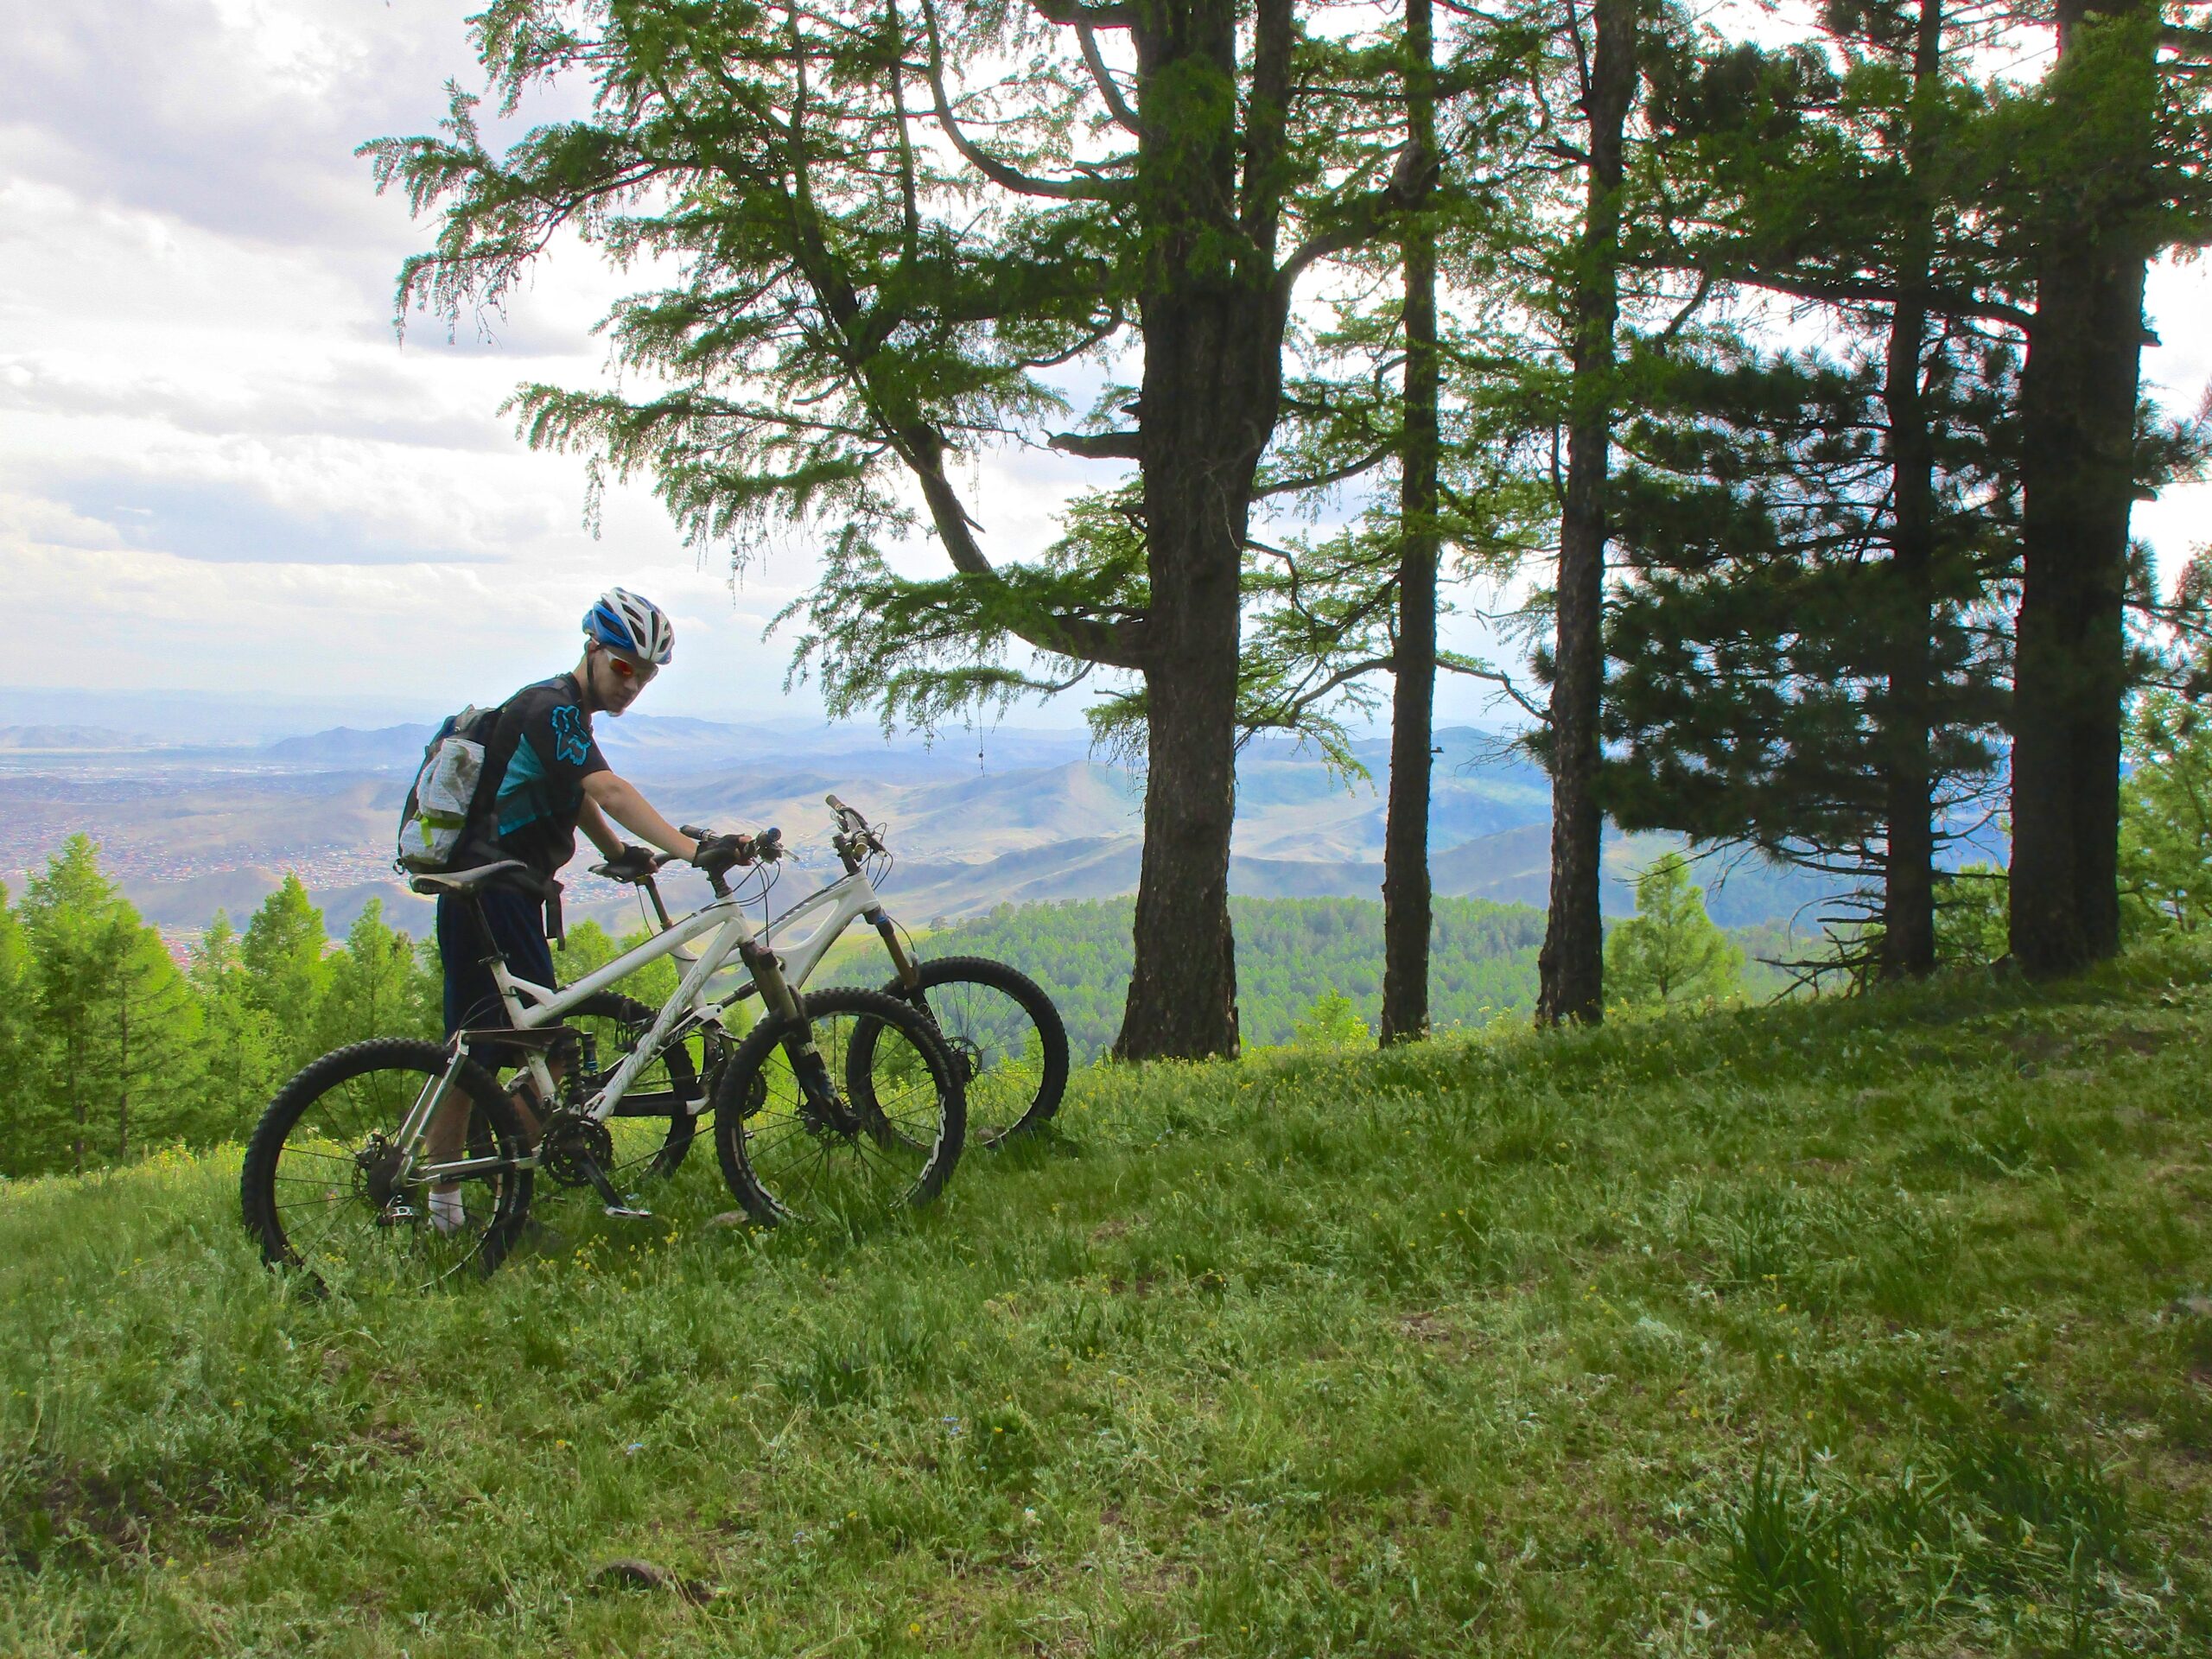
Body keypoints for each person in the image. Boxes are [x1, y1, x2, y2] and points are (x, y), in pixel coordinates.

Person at [428, 587, 743, 1230]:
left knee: (491, 1053)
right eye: (624, 667)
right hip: (494, 895)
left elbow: (571, 795)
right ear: (592, 649)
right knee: (510, 1056)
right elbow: (604, 786)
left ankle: (464, 1202)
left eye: (646, 676)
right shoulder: (551, 709)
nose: (633, 684)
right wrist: (690, 850)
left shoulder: (562, 711)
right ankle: (466, 1203)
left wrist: (617, 850)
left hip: (497, 893)